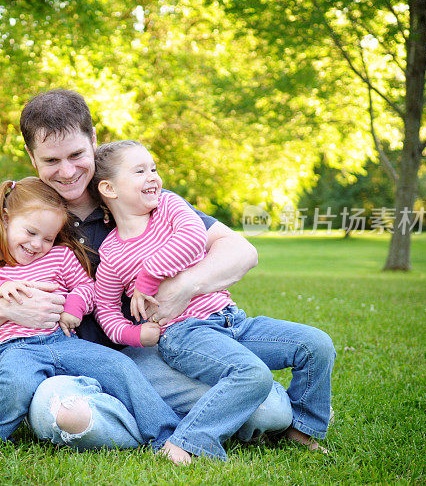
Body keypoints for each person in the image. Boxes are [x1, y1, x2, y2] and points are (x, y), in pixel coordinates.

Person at [0, 89, 293, 453]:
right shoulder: (21, 217)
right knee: (66, 416)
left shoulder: (133, 194)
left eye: (77, 154)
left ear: (93, 140)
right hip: (57, 363)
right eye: (51, 160)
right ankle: (170, 427)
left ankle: (145, 421)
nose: (67, 171)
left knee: (271, 411)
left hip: (145, 357)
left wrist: (183, 287)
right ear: (32, 157)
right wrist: (6, 307)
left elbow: (241, 251)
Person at [91, 140, 336, 459]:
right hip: (184, 334)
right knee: (251, 374)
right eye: (140, 171)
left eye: (153, 168)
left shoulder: (168, 206)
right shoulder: (113, 254)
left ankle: (302, 428)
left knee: (315, 344)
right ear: (109, 188)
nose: (153, 176)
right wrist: (135, 334)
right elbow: (107, 312)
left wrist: (149, 276)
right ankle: (186, 441)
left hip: (231, 319)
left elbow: (193, 238)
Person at [0, 177, 185, 461]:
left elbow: (87, 287)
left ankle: (165, 434)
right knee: (16, 382)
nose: (37, 244)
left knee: (119, 365)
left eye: (47, 238)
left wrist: (73, 307)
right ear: (6, 219)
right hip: (16, 347)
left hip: (62, 340)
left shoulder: (59, 257)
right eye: (31, 232)